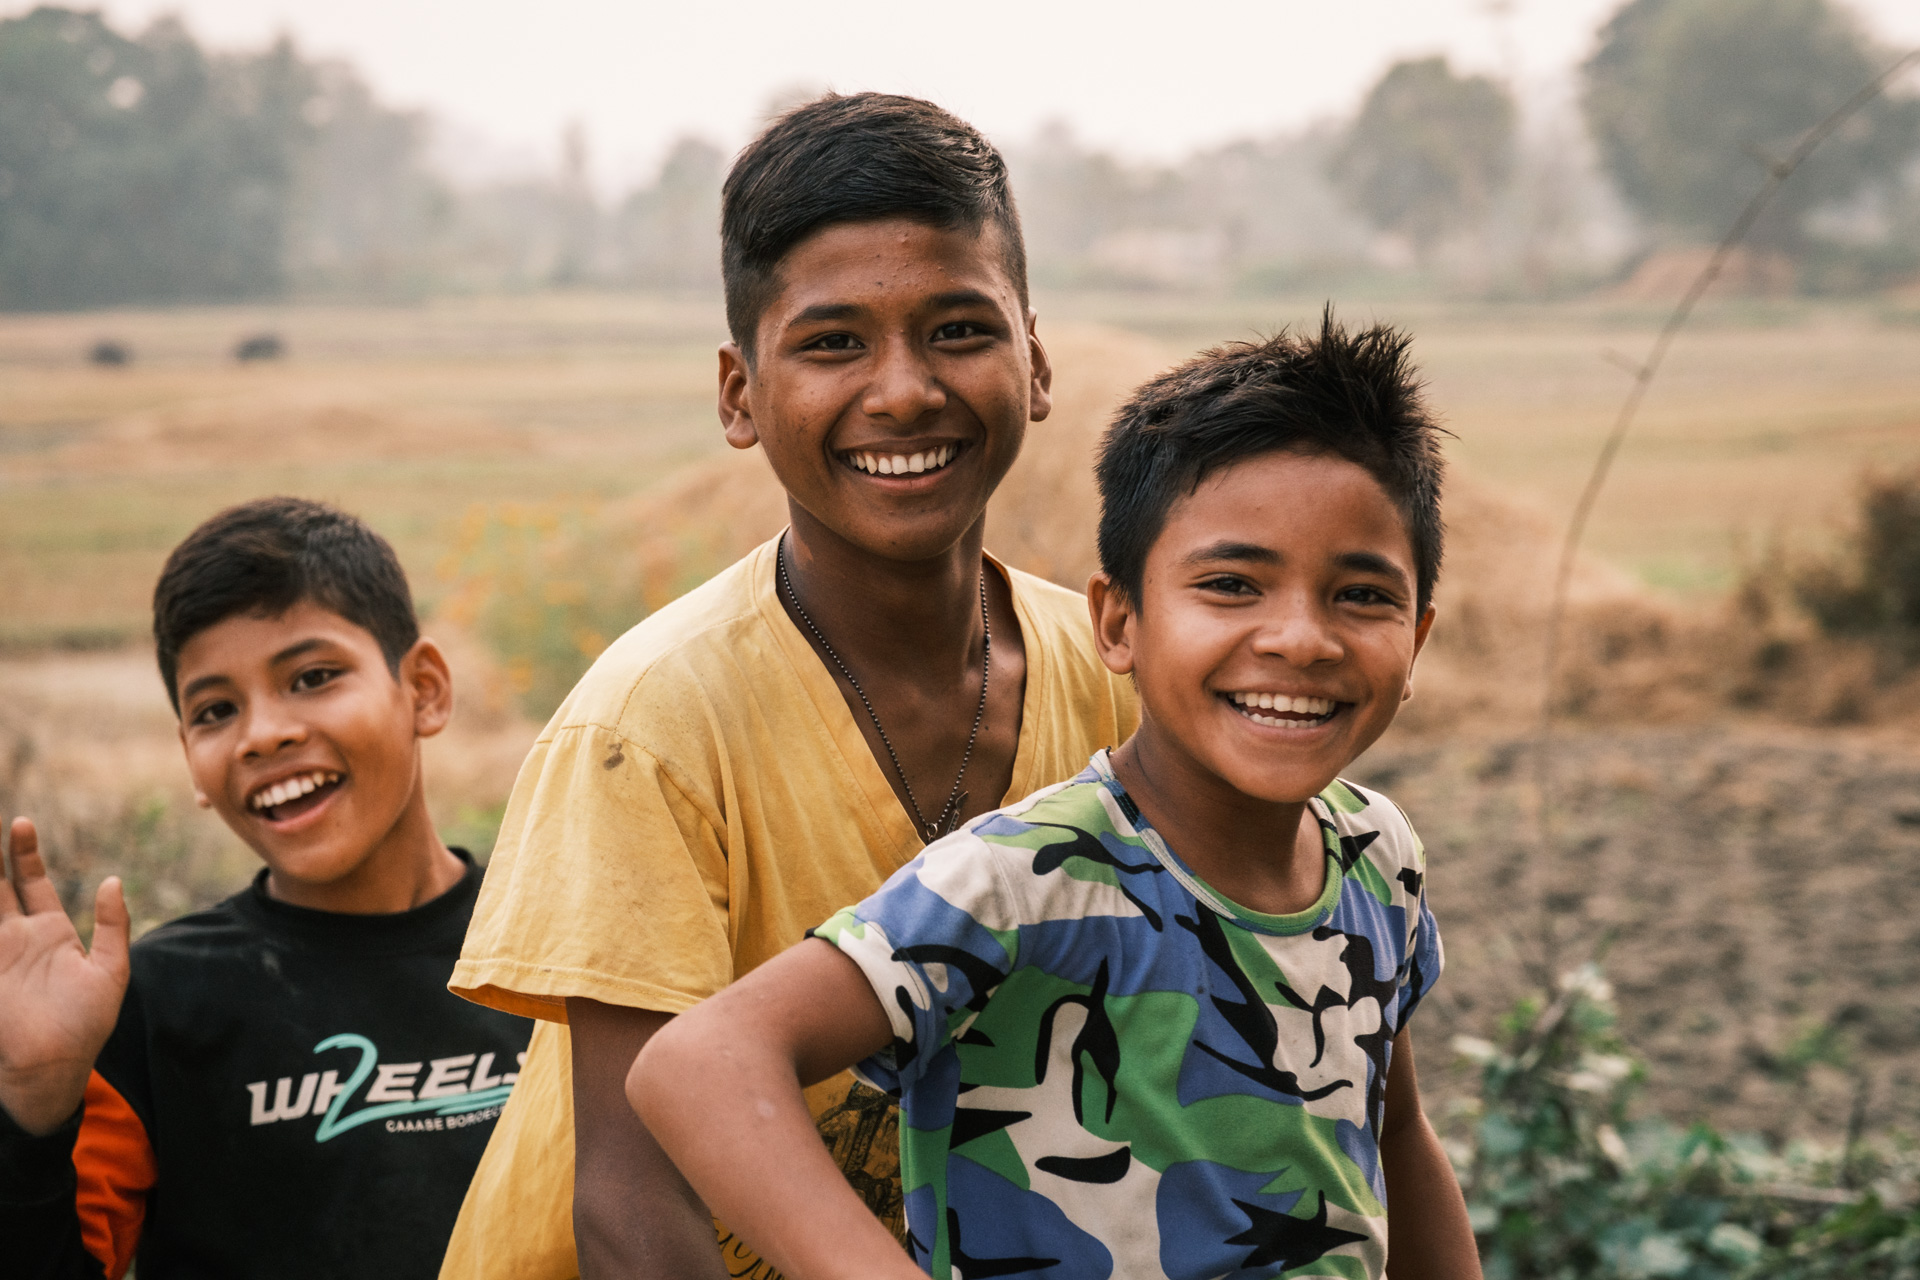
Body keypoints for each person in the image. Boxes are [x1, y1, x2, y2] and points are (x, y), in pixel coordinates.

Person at [439, 92, 1138, 1280]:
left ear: (1037, 361)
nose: (904, 389)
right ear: (739, 393)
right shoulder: (649, 727)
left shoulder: (1120, 680)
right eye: (832, 343)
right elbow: (628, 1197)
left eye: (959, 329)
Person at [629, 314, 1484, 1280]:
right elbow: (700, 1064)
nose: (1300, 639)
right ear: (1118, 622)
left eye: (1361, 596)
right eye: (1233, 585)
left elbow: (1397, 1132)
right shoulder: (1028, 878)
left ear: (1416, 640)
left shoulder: (1379, 854)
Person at [0, 497, 533, 1280]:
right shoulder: (150, 1009)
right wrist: (32, 1110)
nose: (263, 734)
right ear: (191, 757)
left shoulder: (554, 951)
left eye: (313, 677)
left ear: (423, 690)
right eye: (216, 710)